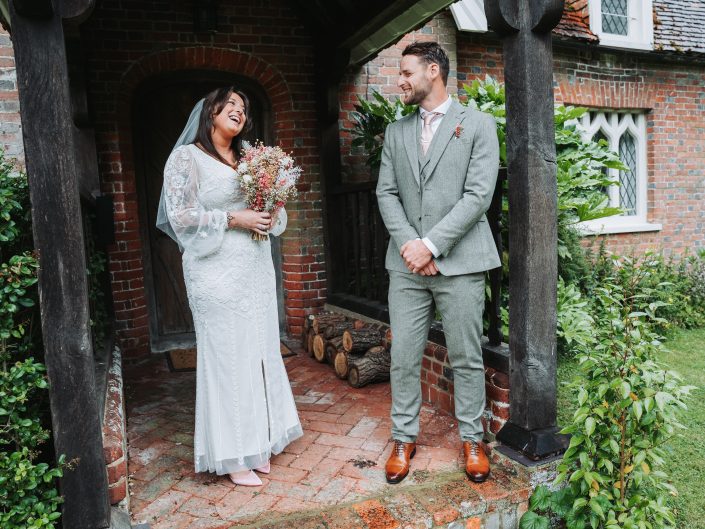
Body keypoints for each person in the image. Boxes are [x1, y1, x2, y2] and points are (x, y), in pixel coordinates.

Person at [156, 87, 303, 486]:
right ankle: (233, 453)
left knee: (257, 350)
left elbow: (277, 215)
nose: (240, 111)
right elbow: (182, 216)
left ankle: (260, 441)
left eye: (244, 108)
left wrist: (271, 213)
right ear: (210, 112)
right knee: (227, 355)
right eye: (231, 105)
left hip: (254, 267)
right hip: (213, 271)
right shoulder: (186, 158)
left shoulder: (250, 160)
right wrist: (233, 219)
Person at [376, 42, 500, 484]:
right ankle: (403, 437)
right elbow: (386, 193)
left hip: (462, 263)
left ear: (433, 70)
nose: (401, 81)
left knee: (466, 357)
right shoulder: (396, 132)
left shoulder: (479, 125)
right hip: (406, 266)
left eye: (407, 72)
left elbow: (478, 195)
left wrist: (432, 244)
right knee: (403, 356)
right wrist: (413, 245)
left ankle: (472, 438)